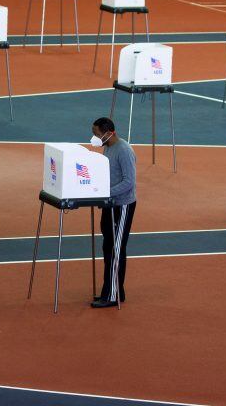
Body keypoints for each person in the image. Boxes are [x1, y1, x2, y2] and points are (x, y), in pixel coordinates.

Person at [90, 117, 137, 308]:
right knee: (108, 248)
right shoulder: (108, 147)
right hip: (109, 205)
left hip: (122, 206)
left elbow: (129, 182)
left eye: (96, 133)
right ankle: (114, 291)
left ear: (108, 132)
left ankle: (111, 296)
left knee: (116, 250)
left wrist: (104, 193)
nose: (95, 137)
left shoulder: (124, 150)